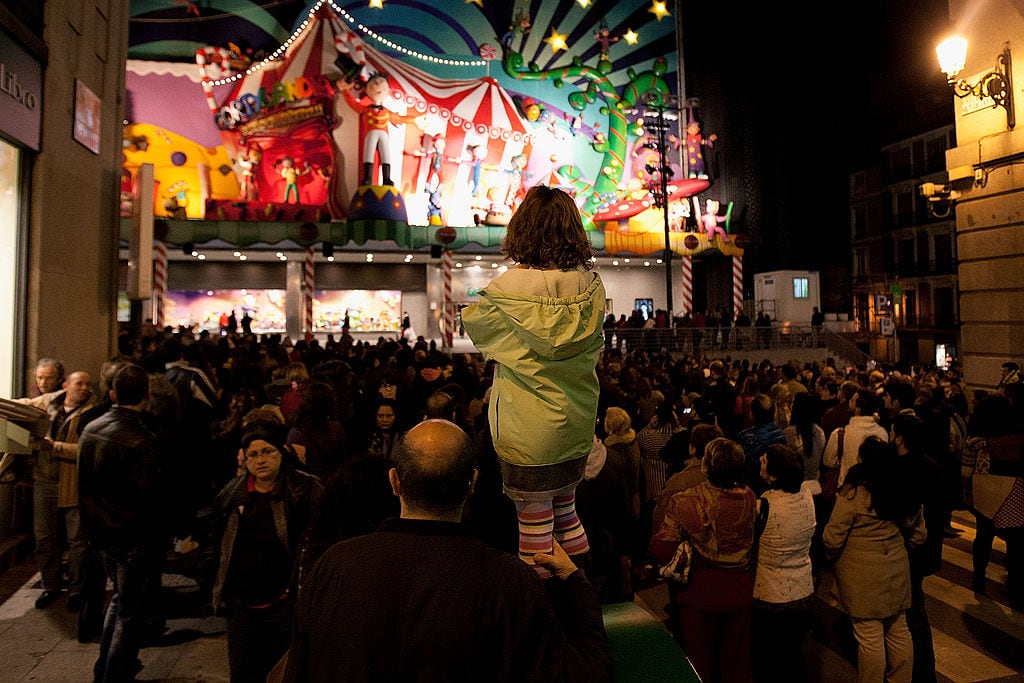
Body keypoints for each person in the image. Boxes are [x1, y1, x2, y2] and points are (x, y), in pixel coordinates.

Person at [283, 419, 613, 682]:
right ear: (472, 483)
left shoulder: (334, 567)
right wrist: (575, 583)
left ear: (395, 482)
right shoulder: (507, 580)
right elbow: (582, 675)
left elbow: (298, 668)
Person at [462, 185, 605, 577]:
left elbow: (479, 330)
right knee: (568, 512)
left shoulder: (506, 292)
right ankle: (585, 594)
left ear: (522, 229)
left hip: (528, 433)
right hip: (575, 426)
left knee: (534, 528)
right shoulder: (592, 287)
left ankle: (545, 614)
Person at [77, 363, 169, 683]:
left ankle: (107, 667)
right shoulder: (142, 440)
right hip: (130, 537)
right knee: (127, 610)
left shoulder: (91, 428)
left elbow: (85, 487)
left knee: (119, 601)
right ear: (146, 394)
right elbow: (149, 498)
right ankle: (112, 672)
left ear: (113, 393)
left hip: (100, 534)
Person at [211, 421, 323, 683]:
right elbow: (217, 547)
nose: (261, 460)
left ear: (281, 452)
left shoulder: (304, 490)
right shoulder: (232, 495)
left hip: (284, 606)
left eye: (268, 452)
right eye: (253, 454)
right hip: (242, 607)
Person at [650, 437, 757, 682]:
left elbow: (663, 549)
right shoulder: (749, 497)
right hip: (740, 589)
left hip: (701, 591)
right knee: (736, 666)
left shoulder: (687, 500)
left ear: (706, 466)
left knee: (701, 665)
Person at [823, 436, 926, 683]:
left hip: (862, 577)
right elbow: (919, 534)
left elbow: (833, 537)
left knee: (869, 637)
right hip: (896, 569)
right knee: (899, 631)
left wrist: (833, 559)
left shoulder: (853, 493)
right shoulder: (902, 490)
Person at [19, 370, 96, 610]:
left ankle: (76, 589)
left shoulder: (92, 413)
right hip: (44, 479)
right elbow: (22, 407)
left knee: (78, 540)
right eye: (79, 383)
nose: (84, 388)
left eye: (88, 384)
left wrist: (56, 447)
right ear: (66, 386)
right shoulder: (48, 403)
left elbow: (86, 449)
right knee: (44, 537)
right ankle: (50, 585)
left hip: (73, 482)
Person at [751, 443, 816, 683]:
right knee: (792, 656)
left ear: (775, 475)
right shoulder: (806, 497)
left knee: (769, 661)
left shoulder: (763, 506)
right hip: (803, 591)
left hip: (770, 595)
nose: (760, 459)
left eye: (765, 460)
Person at [341, 72, 418, 187]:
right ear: (367, 90)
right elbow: (352, 103)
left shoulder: (386, 111)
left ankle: (387, 178)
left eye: (381, 83)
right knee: (368, 153)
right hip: (370, 134)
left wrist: (414, 120)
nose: (377, 85)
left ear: (387, 91)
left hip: (384, 134)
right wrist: (344, 91)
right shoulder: (365, 110)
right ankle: (367, 178)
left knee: (386, 154)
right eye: (373, 84)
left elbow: (397, 118)